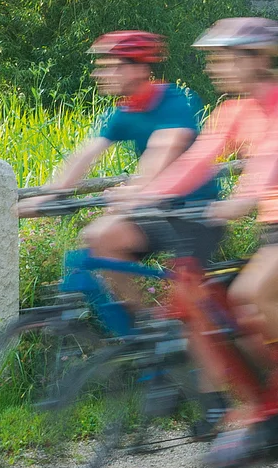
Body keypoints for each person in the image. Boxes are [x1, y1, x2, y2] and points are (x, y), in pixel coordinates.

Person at [129, 16, 278, 468]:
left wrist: (238, 203)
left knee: (252, 292)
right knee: (230, 309)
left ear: (257, 59)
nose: (215, 67)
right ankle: (271, 402)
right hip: (275, 224)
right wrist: (142, 197)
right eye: (213, 58)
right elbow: (196, 161)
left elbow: (273, 161)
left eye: (224, 57)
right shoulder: (232, 110)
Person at [22, 30, 219, 329]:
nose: (100, 74)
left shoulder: (177, 101)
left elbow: (165, 147)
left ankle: (187, 350)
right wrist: (49, 195)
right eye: (101, 66)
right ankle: (141, 330)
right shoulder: (124, 112)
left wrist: (138, 189)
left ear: (140, 69)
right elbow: (85, 154)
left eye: (112, 66)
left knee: (190, 314)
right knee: (99, 237)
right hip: (158, 212)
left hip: (197, 214)